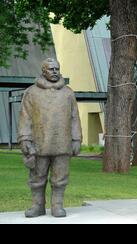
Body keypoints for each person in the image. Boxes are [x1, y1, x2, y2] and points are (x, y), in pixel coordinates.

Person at [18, 58, 82, 218]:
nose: (54, 71)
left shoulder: (68, 93)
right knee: (37, 178)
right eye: (51, 69)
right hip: (39, 144)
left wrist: (76, 139)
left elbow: (74, 117)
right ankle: (37, 206)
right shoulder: (31, 92)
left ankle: (57, 206)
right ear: (43, 71)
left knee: (60, 177)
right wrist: (25, 138)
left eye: (57, 68)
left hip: (62, 143)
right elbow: (25, 117)